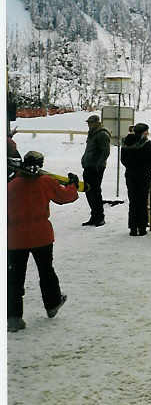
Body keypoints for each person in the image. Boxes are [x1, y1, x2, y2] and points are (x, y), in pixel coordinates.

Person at [7, 151, 79, 332]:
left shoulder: (11, 186)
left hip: (16, 238)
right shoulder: (46, 182)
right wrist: (73, 185)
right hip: (41, 236)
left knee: (14, 278)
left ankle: (14, 317)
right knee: (46, 271)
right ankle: (53, 303)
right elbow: (65, 197)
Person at [121, 123, 151, 236]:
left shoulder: (126, 142)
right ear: (144, 132)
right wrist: (145, 169)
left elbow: (123, 159)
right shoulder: (146, 143)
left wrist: (130, 167)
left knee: (133, 200)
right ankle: (142, 227)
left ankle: (133, 227)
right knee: (142, 200)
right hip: (143, 175)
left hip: (130, 174)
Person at [81, 114, 110, 226]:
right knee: (89, 192)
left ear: (96, 123)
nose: (89, 125)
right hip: (88, 166)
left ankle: (99, 217)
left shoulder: (102, 134)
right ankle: (94, 216)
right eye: (88, 123)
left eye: (90, 122)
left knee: (95, 192)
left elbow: (105, 152)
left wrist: (98, 164)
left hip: (96, 168)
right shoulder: (92, 134)